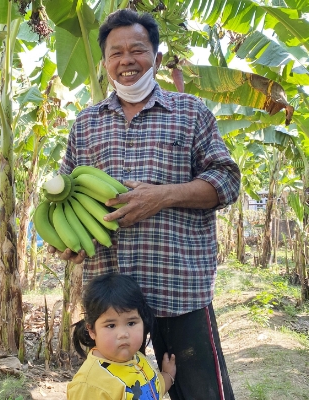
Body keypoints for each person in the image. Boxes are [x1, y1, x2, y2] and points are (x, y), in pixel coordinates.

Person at [53, 8, 241, 400]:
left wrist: (163, 195)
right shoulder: (85, 125)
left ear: (155, 58)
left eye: (137, 50)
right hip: (112, 304)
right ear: (105, 63)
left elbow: (227, 181)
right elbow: (64, 201)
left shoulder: (191, 113)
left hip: (178, 289)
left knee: (201, 394)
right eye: (115, 53)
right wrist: (64, 240)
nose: (126, 61)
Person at [67, 272, 176, 399]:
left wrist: (168, 375)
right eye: (111, 325)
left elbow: (152, 392)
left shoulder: (138, 359)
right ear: (91, 330)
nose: (123, 334)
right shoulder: (89, 386)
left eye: (131, 323)